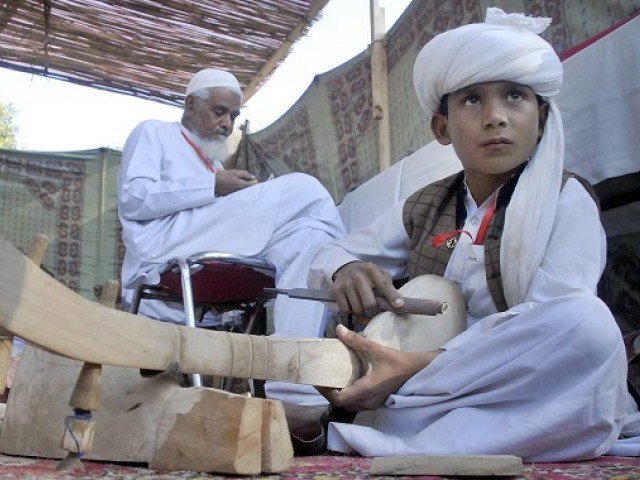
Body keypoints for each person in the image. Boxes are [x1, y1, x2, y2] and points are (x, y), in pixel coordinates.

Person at [308, 8, 640, 461]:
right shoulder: (425, 205)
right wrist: (345, 267)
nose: (496, 117)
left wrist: (415, 367)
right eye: (472, 101)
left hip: (521, 384)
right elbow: (330, 251)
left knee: (588, 323)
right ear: (442, 128)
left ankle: (396, 438)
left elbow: (556, 319)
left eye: (514, 97)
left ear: (541, 119)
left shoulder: (566, 198)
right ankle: (427, 435)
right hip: (429, 392)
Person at [118, 68, 346, 402]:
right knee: (303, 188)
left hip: (203, 253)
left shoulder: (213, 166)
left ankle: (293, 391)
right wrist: (214, 186)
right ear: (192, 105)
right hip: (162, 249)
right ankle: (346, 271)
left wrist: (227, 187)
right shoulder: (154, 133)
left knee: (306, 240)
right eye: (219, 111)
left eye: (234, 116)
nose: (227, 124)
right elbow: (133, 198)